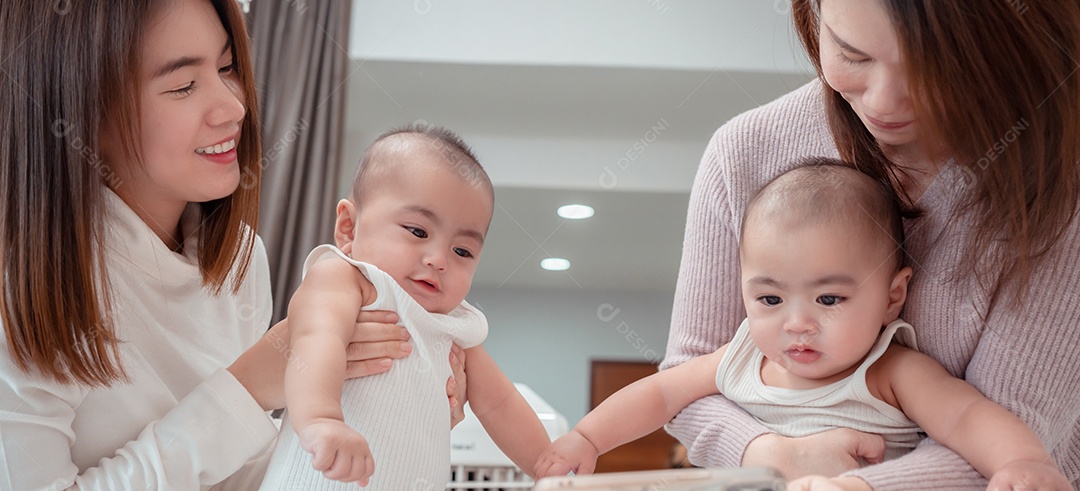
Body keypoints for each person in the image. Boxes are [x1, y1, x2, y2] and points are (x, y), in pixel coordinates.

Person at [0, 1, 461, 489]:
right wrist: (248, 387)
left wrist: (391, 410)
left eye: (226, 68)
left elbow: (237, 477)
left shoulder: (239, 258)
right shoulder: (19, 282)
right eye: (183, 85)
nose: (234, 108)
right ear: (79, 106)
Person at [662, 0, 1080, 489]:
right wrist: (771, 455)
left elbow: (1014, 448)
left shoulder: (1059, 179)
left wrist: (851, 485)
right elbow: (686, 378)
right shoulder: (745, 152)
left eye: (935, 68)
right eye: (851, 53)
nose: (883, 103)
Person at [535, 162, 1070, 490]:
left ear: (893, 297)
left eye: (830, 297)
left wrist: (1023, 461)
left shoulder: (890, 370)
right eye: (769, 297)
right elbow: (659, 394)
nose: (797, 324)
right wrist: (587, 437)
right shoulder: (742, 357)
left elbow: (968, 417)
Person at [258, 125, 551, 489]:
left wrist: (550, 467)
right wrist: (322, 419)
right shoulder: (350, 279)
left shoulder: (453, 324)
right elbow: (317, 338)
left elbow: (500, 403)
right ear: (349, 228)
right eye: (417, 231)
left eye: (462, 251)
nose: (439, 259)